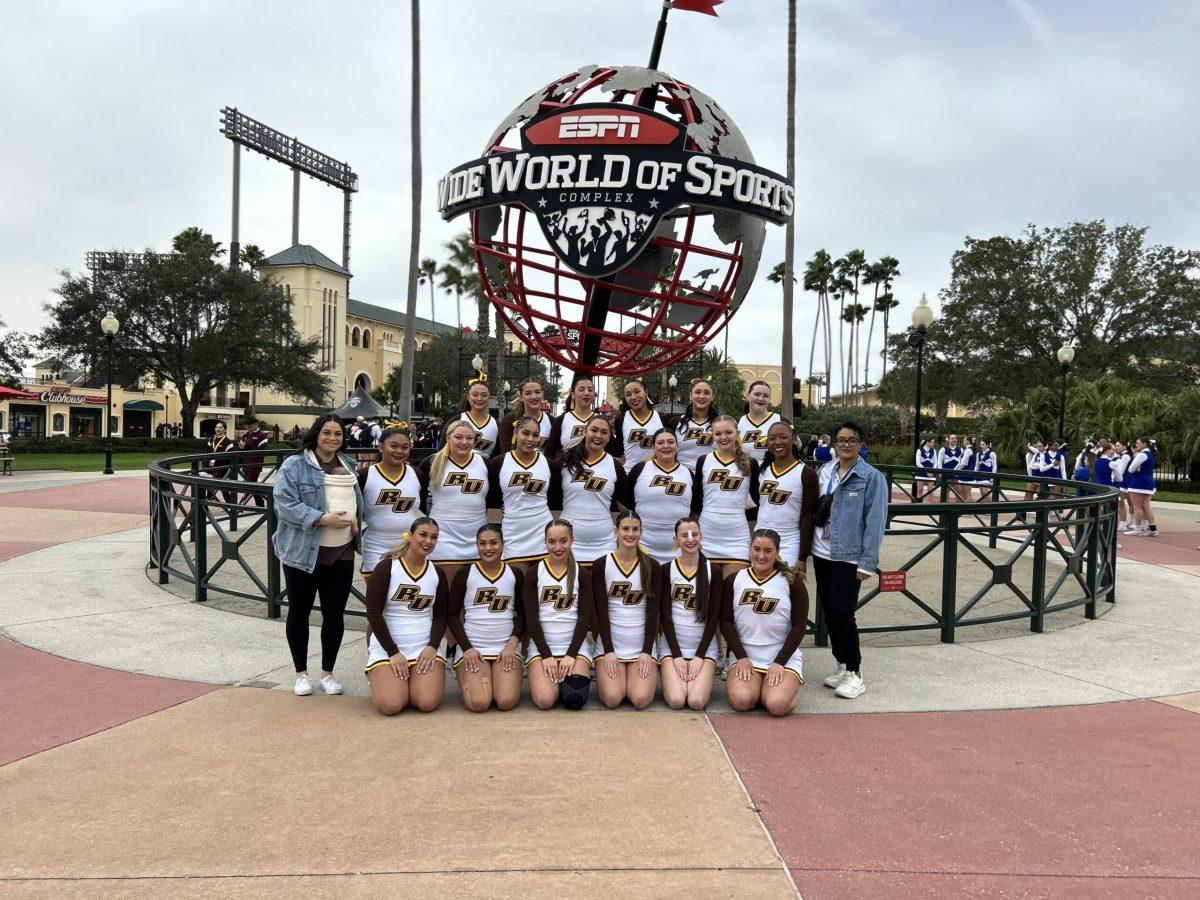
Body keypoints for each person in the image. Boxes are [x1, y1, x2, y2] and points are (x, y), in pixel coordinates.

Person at [271, 415, 363, 698]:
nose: (333, 438)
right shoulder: (294, 465)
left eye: (338, 434)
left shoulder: (348, 464)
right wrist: (321, 518)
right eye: (327, 432)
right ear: (316, 434)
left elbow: (358, 502)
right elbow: (284, 504)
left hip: (341, 552)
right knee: (299, 611)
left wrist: (359, 522)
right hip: (302, 552)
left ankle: (328, 673)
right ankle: (301, 673)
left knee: (334, 614)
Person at [811, 421, 887, 700]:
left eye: (851, 440)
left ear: (861, 444)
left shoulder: (871, 477)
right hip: (822, 551)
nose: (845, 445)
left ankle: (855, 671)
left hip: (848, 555)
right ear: (833, 442)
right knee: (830, 612)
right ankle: (842, 664)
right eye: (841, 440)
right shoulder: (825, 471)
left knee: (843, 612)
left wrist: (868, 562)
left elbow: (875, 521)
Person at [363, 517, 449, 714]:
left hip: (423, 646)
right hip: (389, 647)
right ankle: (382, 677)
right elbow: (374, 613)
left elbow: (441, 616)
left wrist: (432, 646)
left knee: (426, 703)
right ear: (410, 536)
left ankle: (407, 681)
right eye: (423, 535)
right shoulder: (387, 567)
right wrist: (393, 652)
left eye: (434, 537)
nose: (428, 541)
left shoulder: (437, 573)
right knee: (391, 705)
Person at [721, 528, 808, 716]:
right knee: (742, 701)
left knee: (776, 706)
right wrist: (741, 656)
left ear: (777, 552)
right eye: (756, 549)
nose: (761, 555)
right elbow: (726, 621)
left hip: (781, 655)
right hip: (746, 654)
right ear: (750, 548)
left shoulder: (792, 582)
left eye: (768, 551)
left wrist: (779, 662)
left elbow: (799, 626)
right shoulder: (735, 580)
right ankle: (759, 689)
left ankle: (775, 694)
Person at [447, 524, 525, 712]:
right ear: (477, 545)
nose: (488, 548)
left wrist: (511, 646)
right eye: (482, 543)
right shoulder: (465, 573)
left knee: (505, 701)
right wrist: (467, 648)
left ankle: (496, 678)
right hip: (473, 648)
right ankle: (465, 671)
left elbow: (523, 615)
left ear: (503, 544)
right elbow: (452, 614)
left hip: (504, 648)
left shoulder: (514, 574)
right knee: (479, 703)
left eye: (493, 543)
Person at [592, 511, 661, 710]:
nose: (630, 534)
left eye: (635, 529)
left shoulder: (651, 566)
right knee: (613, 698)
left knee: (640, 699)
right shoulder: (601, 564)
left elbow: (652, 612)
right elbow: (600, 610)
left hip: (641, 645)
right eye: (625, 529)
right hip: (611, 645)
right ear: (616, 532)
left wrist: (647, 651)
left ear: (641, 532)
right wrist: (608, 651)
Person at [523, 519, 593, 710]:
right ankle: (554, 682)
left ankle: (563, 681)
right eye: (552, 541)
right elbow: (531, 617)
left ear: (572, 540)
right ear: (545, 542)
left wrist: (571, 655)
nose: (558, 547)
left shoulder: (582, 573)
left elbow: (584, 617)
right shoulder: (534, 573)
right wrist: (546, 655)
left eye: (563, 541)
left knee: (574, 700)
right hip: (542, 649)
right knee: (545, 701)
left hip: (575, 649)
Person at [419, 419, 497, 582]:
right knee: (447, 593)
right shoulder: (432, 462)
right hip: (444, 537)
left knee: (469, 596)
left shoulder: (483, 462)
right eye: (458, 437)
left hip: (477, 537)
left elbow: (492, 496)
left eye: (469, 438)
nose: (464, 442)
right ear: (448, 438)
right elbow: (417, 497)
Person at [657, 517, 720, 710]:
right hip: (672, 647)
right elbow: (665, 615)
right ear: (676, 539)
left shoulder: (713, 571)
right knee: (677, 700)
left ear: (702, 536)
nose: (690, 539)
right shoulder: (666, 569)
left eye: (695, 534)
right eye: (684, 535)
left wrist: (700, 656)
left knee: (695, 701)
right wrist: (676, 655)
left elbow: (714, 617)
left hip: (704, 648)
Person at [691, 415, 758, 580]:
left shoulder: (751, 463)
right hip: (707, 534)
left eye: (728, 432)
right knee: (709, 592)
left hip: (737, 537)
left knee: (731, 591)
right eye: (718, 433)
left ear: (737, 433)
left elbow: (756, 505)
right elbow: (697, 502)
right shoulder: (703, 461)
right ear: (712, 435)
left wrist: (753, 536)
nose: (723, 437)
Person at [358, 426, 428, 580]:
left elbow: (423, 509)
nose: (400, 451)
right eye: (393, 446)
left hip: (409, 546)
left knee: (401, 598)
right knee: (377, 598)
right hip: (375, 545)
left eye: (405, 447)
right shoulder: (364, 475)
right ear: (381, 447)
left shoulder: (417, 474)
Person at [488, 416, 559, 568]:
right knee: (517, 581)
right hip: (513, 532)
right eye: (525, 433)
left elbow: (556, 498)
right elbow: (492, 497)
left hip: (542, 530)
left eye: (535, 435)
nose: (530, 439)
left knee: (540, 584)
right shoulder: (498, 463)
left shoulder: (549, 464)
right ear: (515, 433)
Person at [557, 414, 628, 564]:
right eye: (594, 430)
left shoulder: (615, 465)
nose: (598, 435)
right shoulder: (565, 461)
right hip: (568, 541)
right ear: (585, 432)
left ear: (609, 437)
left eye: (604, 432)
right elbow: (547, 493)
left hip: (604, 543)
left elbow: (624, 504)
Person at [754, 421, 818, 566]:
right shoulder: (761, 471)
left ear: (793, 439)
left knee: (784, 586)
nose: (778, 442)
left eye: (783, 437)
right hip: (760, 538)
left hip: (789, 541)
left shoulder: (806, 473)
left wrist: (802, 558)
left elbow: (808, 516)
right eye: (772, 438)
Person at [625, 428, 693, 564]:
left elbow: (696, 507)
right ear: (653, 447)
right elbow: (626, 502)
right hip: (644, 546)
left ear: (677, 446)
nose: (666, 446)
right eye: (660, 442)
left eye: (671, 442)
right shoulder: (640, 469)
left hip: (679, 547)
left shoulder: (688, 473)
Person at [608, 379, 665, 470]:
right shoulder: (621, 419)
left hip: (656, 471)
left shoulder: (661, 417)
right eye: (628, 394)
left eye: (637, 392)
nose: (633, 397)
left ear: (645, 392)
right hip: (629, 473)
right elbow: (618, 450)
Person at [669, 377, 718, 470]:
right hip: (682, 478)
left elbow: (736, 451)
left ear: (712, 397)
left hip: (710, 478)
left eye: (706, 393)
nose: (702, 396)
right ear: (691, 396)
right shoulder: (675, 422)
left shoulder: (721, 424)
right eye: (697, 392)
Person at [545, 374, 597, 456]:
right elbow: (550, 453)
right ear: (573, 394)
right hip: (568, 467)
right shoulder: (561, 420)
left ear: (594, 395)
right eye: (581, 390)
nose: (586, 393)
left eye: (590, 390)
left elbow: (613, 450)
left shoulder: (601, 420)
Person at [496, 379, 552, 453]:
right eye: (528, 393)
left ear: (542, 394)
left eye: (537, 392)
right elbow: (505, 454)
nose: (534, 397)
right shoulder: (509, 420)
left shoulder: (551, 420)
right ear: (521, 397)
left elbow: (552, 453)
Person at [448, 378, 500, 458]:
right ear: (468, 397)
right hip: (457, 468)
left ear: (489, 398)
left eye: (484, 395)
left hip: (484, 469)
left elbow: (498, 457)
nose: (479, 399)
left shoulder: (496, 425)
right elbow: (442, 450)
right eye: (475, 395)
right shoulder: (457, 420)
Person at [737, 380, 781, 464]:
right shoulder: (737, 422)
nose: (761, 399)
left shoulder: (780, 421)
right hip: (746, 473)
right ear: (748, 395)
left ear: (769, 399)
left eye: (765, 396)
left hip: (773, 474)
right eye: (756, 394)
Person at [1125, 437, 1158, 537]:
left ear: (1145, 444)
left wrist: (1136, 469)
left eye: (1138, 443)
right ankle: (1153, 529)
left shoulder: (1141, 455)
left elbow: (1130, 469)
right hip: (1148, 482)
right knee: (1146, 506)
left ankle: (1137, 529)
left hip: (1138, 483)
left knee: (1137, 507)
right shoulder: (1150, 455)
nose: (1136, 445)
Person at [238, 418, 270, 508]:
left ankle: (241, 505)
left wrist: (247, 446)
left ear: (255, 424)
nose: (248, 428)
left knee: (249, 483)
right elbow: (241, 444)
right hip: (245, 463)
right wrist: (243, 446)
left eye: (250, 426)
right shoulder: (246, 434)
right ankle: (260, 503)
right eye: (247, 426)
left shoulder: (261, 436)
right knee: (253, 485)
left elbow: (262, 450)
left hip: (255, 464)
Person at [937, 433, 967, 502]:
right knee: (946, 491)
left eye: (955, 438)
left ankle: (958, 509)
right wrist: (940, 472)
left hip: (957, 474)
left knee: (959, 491)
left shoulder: (961, 450)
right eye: (952, 438)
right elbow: (939, 461)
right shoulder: (943, 449)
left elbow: (963, 462)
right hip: (946, 474)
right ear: (948, 440)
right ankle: (945, 508)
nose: (954, 440)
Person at [914, 436, 938, 500]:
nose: (933, 444)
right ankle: (918, 506)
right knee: (920, 490)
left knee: (930, 491)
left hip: (931, 473)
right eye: (932, 442)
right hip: (921, 473)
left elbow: (936, 463)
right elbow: (918, 463)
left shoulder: (934, 451)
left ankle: (931, 507)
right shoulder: (919, 450)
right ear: (927, 442)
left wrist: (932, 471)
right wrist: (926, 471)